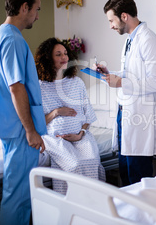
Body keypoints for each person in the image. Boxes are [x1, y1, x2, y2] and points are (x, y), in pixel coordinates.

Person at [94, 0, 156, 186]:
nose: (111, 26)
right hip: (124, 114)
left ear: (124, 16)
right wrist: (110, 74)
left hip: (138, 119)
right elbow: (131, 74)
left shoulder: (148, 40)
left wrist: (121, 83)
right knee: (125, 177)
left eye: (111, 20)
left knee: (138, 180)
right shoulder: (129, 41)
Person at [0, 0, 46, 225]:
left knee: (17, 193)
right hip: (20, 129)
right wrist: (31, 130)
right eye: (36, 9)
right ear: (24, 7)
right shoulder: (12, 39)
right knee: (19, 196)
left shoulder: (0, 35)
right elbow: (16, 87)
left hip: (10, 126)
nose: (37, 15)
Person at [35, 37, 105, 194]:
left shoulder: (76, 82)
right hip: (55, 138)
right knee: (73, 165)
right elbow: (36, 123)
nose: (64, 57)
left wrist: (81, 134)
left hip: (81, 136)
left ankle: (94, 204)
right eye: (58, 54)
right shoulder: (40, 87)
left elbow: (88, 116)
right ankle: (71, 206)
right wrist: (56, 112)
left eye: (65, 53)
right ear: (48, 58)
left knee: (92, 161)